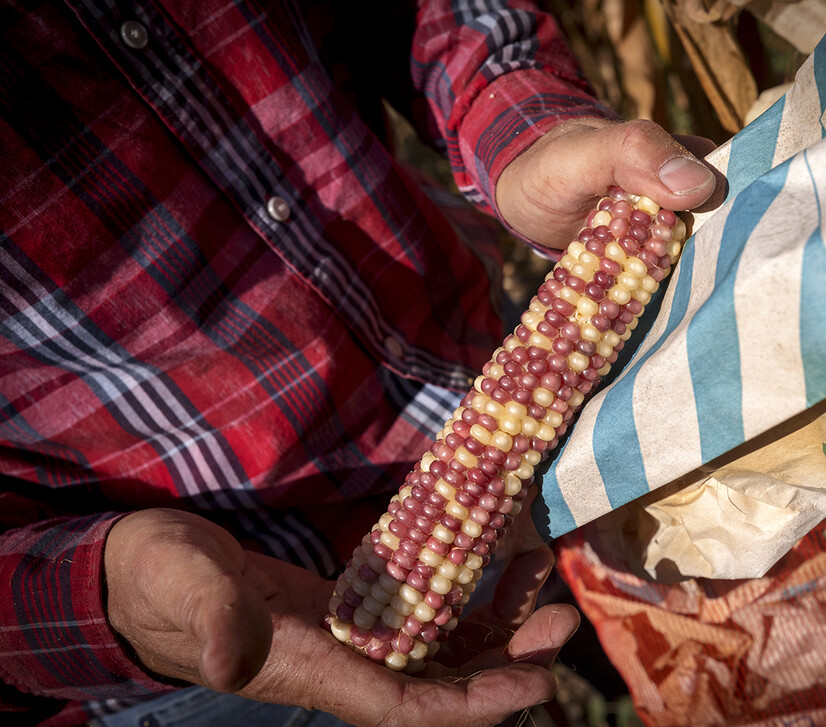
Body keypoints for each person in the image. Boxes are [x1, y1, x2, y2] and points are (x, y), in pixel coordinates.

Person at [0, 1, 720, 725]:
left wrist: (528, 131)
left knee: (643, 648)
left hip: (495, 391)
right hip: (222, 638)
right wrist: (108, 595)